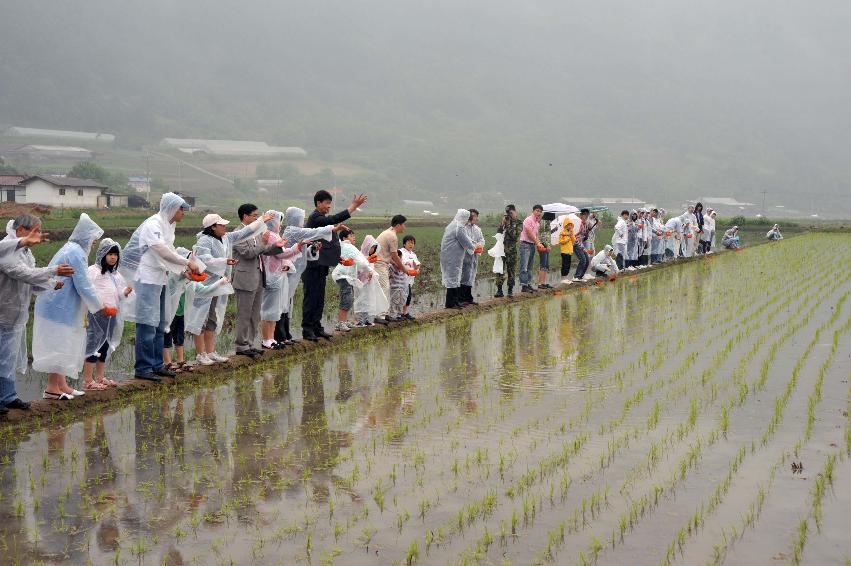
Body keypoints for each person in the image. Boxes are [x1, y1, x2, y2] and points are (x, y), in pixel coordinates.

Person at [121, 192, 200, 382]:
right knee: (147, 323)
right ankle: (143, 367)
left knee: (159, 323)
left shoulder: (168, 226)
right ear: (172, 208)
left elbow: (169, 252)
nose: (184, 213)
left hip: (160, 278)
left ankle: (157, 365)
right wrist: (187, 263)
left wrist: (182, 271)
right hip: (146, 278)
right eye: (182, 209)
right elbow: (161, 251)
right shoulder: (153, 224)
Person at [32, 213, 110, 399]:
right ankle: (52, 388)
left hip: (59, 306)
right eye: (93, 240)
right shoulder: (75, 253)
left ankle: (62, 386)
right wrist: (100, 306)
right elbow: (83, 284)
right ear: (86, 237)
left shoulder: (73, 250)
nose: (93, 244)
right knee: (58, 346)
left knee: (62, 345)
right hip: (57, 307)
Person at [0, 215, 69, 413]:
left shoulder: (25, 252)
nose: (39, 235)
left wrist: (51, 284)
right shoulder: (7, 249)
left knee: (8, 358)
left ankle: (8, 396)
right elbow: (22, 273)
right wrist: (53, 270)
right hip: (4, 312)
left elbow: (29, 281)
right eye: (36, 231)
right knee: (2, 357)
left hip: (15, 313)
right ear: (21, 230)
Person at [301, 190, 368, 340]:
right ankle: (307, 329)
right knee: (311, 298)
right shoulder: (316, 219)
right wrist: (353, 206)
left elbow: (329, 244)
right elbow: (335, 219)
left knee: (319, 298)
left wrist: (339, 259)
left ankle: (317, 327)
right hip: (312, 266)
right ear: (318, 203)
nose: (328, 207)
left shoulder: (322, 220)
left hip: (321, 265)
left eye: (330, 204)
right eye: (327, 203)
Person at [279, 206, 337, 342]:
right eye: (301, 218)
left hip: (294, 274)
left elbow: (306, 254)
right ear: (295, 219)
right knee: (283, 303)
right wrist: (332, 228)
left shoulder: (296, 232)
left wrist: (313, 249)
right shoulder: (293, 231)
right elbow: (314, 232)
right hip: (287, 273)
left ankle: (286, 334)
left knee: (288, 303)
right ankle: (281, 335)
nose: (302, 221)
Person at [82, 239, 132, 390]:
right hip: (97, 315)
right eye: (110, 254)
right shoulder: (93, 271)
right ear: (102, 254)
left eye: (115, 255)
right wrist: (99, 306)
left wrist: (125, 292)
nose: (113, 257)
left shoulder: (115, 275)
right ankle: (87, 381)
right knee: (93, 345)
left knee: (105, 345)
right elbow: (88, 292)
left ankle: (100, 377)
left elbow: (118, 294)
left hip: (111, 315)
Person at [260, 211, 303, 349]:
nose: (280, 224)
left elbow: (282, 257)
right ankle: (266, 339)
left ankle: (271, 338)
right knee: (269, 308)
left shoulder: (275, 235)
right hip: (272, 275)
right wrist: (297, 247)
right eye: (279, 221)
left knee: (275, 309)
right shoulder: (271, 236)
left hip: (277, 275)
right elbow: (282, 254)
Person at [331, 228, 369, 331]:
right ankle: (340, 323)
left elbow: (357, 261)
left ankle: (344, 321)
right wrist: (369, 266)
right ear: (344, 238)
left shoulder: (345, 247)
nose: (354, 237)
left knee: (349, 298)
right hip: (343, 276)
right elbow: (363, 262)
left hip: (346, 276)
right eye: (351, 235)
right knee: (346, 298)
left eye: (354, 235)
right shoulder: (347, 246)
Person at [374, 215, 409, 323]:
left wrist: (397, 265)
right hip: (379, 264)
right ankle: (379, 316)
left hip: (381, 263)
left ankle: (385, 313)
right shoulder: (392, 236)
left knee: (386, 289)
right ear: (398, 225)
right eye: (404, 224)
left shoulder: (388, 232)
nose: (404, 227)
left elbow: (389, 255)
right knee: (384, 288)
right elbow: (394, 255)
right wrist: (403, 268)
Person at [440, 209, 477, 308]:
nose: (467, 220)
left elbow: (467, 239)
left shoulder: (454, 225)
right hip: (452, 257)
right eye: (467, 218)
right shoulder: (459, 227)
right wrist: (475, 247)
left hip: (452, 256)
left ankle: (455, 302)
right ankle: (450, 303)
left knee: (455, 278)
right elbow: (466, 241)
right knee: (452, 278)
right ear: (464, 217)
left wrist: (473, 244)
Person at [352, 234, 385, 326]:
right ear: (367, 246)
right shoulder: (359, 255)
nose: (373, 250)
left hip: (369, 283)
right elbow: (357, 269)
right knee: (360, 301)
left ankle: (367, 320)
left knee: (368, 300)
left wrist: (372, 274)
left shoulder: (371, 257)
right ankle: (359, 321)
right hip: (361, 283)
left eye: (374, 248)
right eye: (372, 247)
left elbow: (371, 269)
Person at [495, 204, 521, 298]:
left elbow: (515, 236)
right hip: (501, 250)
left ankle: (510, 290)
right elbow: (498, 233)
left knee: (511, 271)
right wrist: (502, 224)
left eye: (510, 213)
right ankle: (499, 290)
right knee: (499, 270)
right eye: (507, 213)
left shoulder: (518, 223)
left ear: (515, 212)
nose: (509, 215)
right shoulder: (505, 221)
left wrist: (509, 224)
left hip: (511, 251)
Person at [460, 209, 486, 303]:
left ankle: (468, 297)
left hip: (474, 256)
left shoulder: (477, 229)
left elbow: (482, 240)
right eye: (473, 215)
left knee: (471, 275)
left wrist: (479, 245)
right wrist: (474, 246)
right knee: (464, 276)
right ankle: (461, 298)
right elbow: (465, 241)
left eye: (476, 216)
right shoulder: (463, 228)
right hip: (465, 255)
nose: (474, 218)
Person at [519, 204, 544, 293]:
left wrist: (539, 244)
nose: (539, 213)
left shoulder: (537, 223)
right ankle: (523, 285)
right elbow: (529, 233)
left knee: (530, 267)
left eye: (540, 211)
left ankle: (528, 284)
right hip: (525, 245)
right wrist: (537, 243)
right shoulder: (528, 220)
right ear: (533, 211)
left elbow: (536, 236)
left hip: (532, 245)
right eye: (537, 211)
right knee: (524, 266)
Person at [399, 235, 420, 320]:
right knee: (403, 295)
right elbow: (400, 262)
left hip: (410, 277)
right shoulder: (400, 252)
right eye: (409, 242)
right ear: (404, 244)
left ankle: (405, 313)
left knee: (408, 295)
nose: (411, 244)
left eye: (413, 243)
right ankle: (400, 313)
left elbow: (417, 264)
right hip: (401, 277)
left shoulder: (413, 254)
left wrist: (417, 269)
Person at [572, 208, 592, 281]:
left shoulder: (585, 224)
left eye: (587, 215)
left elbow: (584, 236)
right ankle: (576, 276)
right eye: (584, 215)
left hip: (581, 244)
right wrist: (581, 247)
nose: (586, 216)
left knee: (586, 260)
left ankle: (580, 276)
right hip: (576, 244)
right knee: (583, 260)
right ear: (581, 215)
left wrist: (587, 230)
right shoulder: (578, 224)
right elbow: (575, 236)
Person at [557, 215, 576, 284]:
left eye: (570, 225)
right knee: (564, 265)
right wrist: (568, 237)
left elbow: (574, 241)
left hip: (570, 251)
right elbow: (561, 242)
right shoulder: (562, 233)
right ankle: (563, 278)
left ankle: (566, 278)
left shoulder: (571, 232)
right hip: (564, 251)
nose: (569, 226)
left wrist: (571, 235)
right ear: (565, 225)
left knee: (568, 265)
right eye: (568, 225)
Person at [535, 212, 552, 289]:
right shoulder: (543, 222)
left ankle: (543, 282)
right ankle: (540, 283)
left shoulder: (547, 222)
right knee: (543, 264)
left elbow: (547, 233)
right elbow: (542, 235)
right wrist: (547, 245)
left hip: (546, 245)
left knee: (545, 264)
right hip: (542, 245)